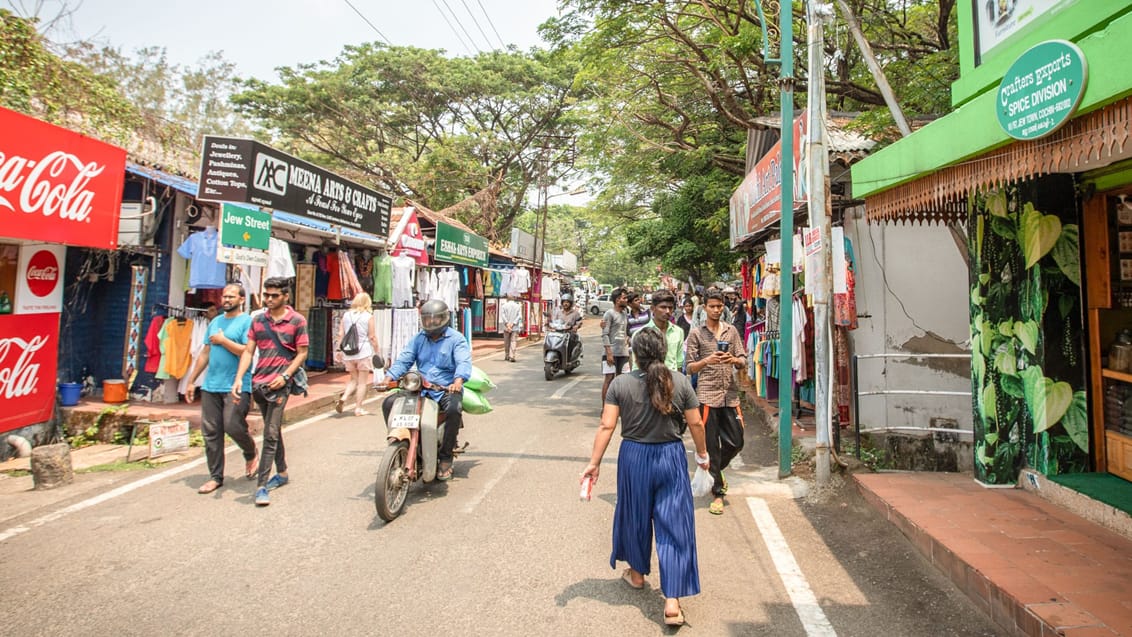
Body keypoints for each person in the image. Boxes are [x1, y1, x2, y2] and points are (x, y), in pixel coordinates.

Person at [581, 327, 709, 627]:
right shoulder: (680, 382)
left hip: (634, 457)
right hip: (671, 457)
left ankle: (637, 575)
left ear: (635, 355)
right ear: (664, 352)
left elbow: (606, 425)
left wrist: (593, 463)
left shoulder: (620, 384)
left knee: (634, 515)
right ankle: (673, 602)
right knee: (674, 522)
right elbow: (696, 425)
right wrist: (702, 456)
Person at [233, 277, 309, 507]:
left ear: (286, 296)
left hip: (280, 384)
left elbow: (302, 353)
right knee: (271, 429)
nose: (268, 299)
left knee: (270, 433)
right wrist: (239, 379)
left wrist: (285, 376)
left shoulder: (297, 320)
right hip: (259, 383)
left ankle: (261, 485)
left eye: (274, 295)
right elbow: (248, 351)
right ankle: (282, 472)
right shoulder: (258, 320)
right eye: (266, 295)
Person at [381, 299, 472, 481]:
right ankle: (403, 442)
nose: (431, 323)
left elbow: (463, 361)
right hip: (420, 388)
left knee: (454, 409)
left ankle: (445, 456)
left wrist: (458, 380)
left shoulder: (456, 339)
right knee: (388, 403)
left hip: (445, 389)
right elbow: (405, 358)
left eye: (435, 320)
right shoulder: (419, 338)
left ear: (444, 319)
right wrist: (388, 378)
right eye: (427, 320)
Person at [186, 283, 257, 495]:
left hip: (237, 385)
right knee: (211, 432)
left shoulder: (247, 322)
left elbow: (246, 351)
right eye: (224, 296)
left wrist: (224, 340)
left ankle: (250, 450)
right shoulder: (215, 321)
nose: (226, 300)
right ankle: (215, 476)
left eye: (231, 297)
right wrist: (192, 381)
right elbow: (205, 353)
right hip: (211, 385)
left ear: (242, 300)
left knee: (232, 425)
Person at [685, 290, 747, 515]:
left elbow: (742, 358)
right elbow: (689, 367)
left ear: (724, 307)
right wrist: (707, 360)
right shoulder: (696, 334)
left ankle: (715, 472)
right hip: (707, 395)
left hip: (729, 394)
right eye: (712, 306)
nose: (716, 310)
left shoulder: (731, 331)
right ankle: (718, 493)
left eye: (719, 306)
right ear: (704, 308)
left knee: (736, 441)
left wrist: (734, 360)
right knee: (711, 445)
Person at [335, 292, 380, 417]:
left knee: (353, 378)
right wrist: (377, 351)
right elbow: (372, 336)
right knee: (362, 382)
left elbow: (340, 334)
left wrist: (338, 350)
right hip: (363, 352)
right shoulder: (368, 316)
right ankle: (358, 408)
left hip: (348, 353)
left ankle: (344, 397)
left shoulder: (346, 315)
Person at [638, 289, 683, 372]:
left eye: (670, 308)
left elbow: (679, 362)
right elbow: (636, 366)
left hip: (672, 379)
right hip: (649, 379)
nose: (667, 311)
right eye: (663, 307)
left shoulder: (678, 332)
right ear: (652, 308)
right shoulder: (641, 333)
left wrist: (679, 381)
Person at [600, 288, 630, 404]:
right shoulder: (609, 314)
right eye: (624, 298)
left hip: (623, 352)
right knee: (609, 379)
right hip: (611, 352)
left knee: (622, 380)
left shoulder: (625, 313)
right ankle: (605, 407)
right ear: (618, 300)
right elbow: (605, 333)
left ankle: (619, 406)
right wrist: (608, 352)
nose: (626, 300)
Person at [500, 294, 523, 362]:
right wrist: (513, 324)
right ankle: (512, 356)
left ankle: (507, 355)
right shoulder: (518, 306)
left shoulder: (504, 306)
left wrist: (507, 324)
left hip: (506, 327)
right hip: (514, 327)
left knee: (506, 341)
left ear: (507, 299)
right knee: (513, 341)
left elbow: (503, 316)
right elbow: (519, 316)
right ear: (514, 299)